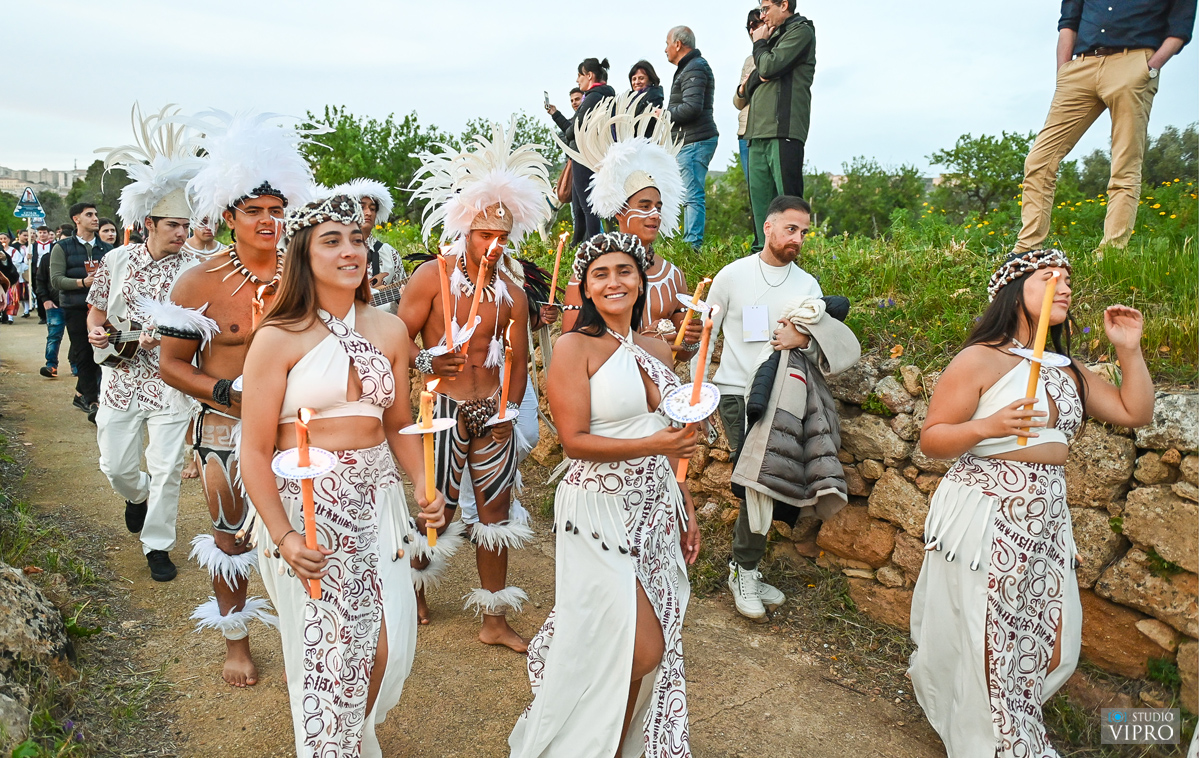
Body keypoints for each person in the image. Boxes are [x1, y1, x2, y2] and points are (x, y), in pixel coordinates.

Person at [910, 249, 1154, 757]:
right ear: (1015, 290)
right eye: (1050, 278)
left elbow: (1136, 412)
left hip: (1046, 511)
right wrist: (988, 427)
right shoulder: (979, 358)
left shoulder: (1069, 370)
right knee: (989, 633)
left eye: (1068, 280)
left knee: (1052, 636)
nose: (1065, 286)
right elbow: (931, 439)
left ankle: (1010, 721)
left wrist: (1129, 350)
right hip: (987, 509)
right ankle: (992, 740)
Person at [240, 191, 445, 757]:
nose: (350, 250)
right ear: (303, 255)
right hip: (308, 506)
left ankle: (350, 741)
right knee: (330, 656)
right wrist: (284, 536)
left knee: (387, 649)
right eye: (332, 240)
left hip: (379, 503)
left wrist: (425, 486)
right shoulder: (277, 337)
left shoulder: (390, 330)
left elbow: (399, 423)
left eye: (357, 238)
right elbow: (254, 450)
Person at [509, 232, 700, 757]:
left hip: (655, 504)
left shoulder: (658, 347)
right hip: (597, 507)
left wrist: (684, 507)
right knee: (640, 647)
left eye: (625, 271)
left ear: (641, 281)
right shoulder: (573, 348)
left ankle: (613, 747)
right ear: (587, 289)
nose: (614, 282)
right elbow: (573, 441)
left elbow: (671, 435)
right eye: (601, 274)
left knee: (633, 645)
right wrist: (656, 441)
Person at [160, 110, 318, 687]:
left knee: (308, 532)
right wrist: (227, 391)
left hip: (297, 429)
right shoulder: (198, 281)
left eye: (277, 211)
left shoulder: (306, 274)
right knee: (230, 540)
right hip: (225, 428)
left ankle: (312, 632)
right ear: (229, 216)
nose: (269, 221)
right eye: (254, 211)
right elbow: (172, 365)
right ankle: (237, 642)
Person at [402, 120, 551, 649]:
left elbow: (518, 358)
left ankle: (493, 619)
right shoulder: (431, 278)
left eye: (502, 237)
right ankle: (414, 588)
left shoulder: (512, 293)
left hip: (491, 418)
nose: (493, 245)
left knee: (495, 515)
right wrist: (425, 362)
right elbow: (396, 345)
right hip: (440, 412)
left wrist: (508, 409)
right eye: (485, 234)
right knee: (434, 507)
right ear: (465, 227)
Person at [86, 109, 206, 582]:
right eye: (172, 225)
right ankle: (136, 497)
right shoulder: (116, 259)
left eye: (185, 224)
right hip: (119, 376)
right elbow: (98, 310)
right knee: (115, 465)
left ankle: (158, 544)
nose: (181, 232)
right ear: (150, 223)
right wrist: (98, 329)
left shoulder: (195, 269)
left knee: (168, 469)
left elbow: (207, 326)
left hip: (170, 382)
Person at [695, 195, 822, 620]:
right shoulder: (732, 276)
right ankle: (744, 569)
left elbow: (822, 343)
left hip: (784, 393)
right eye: (791, 229)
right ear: (768, 227)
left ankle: (742, 566)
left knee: (763, 480)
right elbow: (706, 335)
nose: (798, 238)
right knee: (755, 481)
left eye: (804, 232)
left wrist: (801, 340)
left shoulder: (807, 285)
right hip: (735, 391)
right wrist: (696, 394)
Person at [1014, 0, 1196, 253]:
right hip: (1081, 67)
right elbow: (1068, 21)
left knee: (1125, 165)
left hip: (1133, 64)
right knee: (1039, 160)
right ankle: (1026, 250)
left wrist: (1150, 68)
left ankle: (1110, 254)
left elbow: (1180, 30)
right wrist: (1064, 71)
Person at [557, 91, 703, 356]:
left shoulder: (673, 276)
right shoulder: (591, 270)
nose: (654, 215)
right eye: (644, 206)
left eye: (658, 208)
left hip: (660, 393)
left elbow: (684, 351)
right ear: (619, 212)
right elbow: (569, 349)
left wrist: (691, 338)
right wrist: (645, 340)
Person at [745, 0, 816, 253]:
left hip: (784, 130)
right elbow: (749, 83)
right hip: (756, 133)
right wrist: (762, 64)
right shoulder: (772, 38)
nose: (763, 17)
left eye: (765, 9)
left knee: (789, 206)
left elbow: (767, 66)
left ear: (784, 4)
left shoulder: (801, 31)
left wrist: (760, 46)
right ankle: (759, 262)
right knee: (761, 208)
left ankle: (793, 261)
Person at [49, 202, 113, 420]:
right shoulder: (63, 247)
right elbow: (56, 280)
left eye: (96, 214)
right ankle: (93, 401)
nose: (96, 218)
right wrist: (82, 282)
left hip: (103, 309)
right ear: (77, 219)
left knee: (103, 352)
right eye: (89, 215)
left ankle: (83, 393)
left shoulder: (107, 249)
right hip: (76, 308)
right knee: (84, 353)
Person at [664, 25, 719, 249]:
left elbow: (692, 108)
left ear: (678, 44)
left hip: (695, 140)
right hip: (690, 140)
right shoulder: (690, 67)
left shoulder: (694, 68)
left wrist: (664, 115)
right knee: (688, 192)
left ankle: (692, 246)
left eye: (667, 43)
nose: (665, 49)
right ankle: (689, 243)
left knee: (692, 194)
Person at [332, 179, 405, 314]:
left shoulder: (390, 254)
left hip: (379, 329)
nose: (368, 213)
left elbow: (403, 306)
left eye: (372, 208)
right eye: (362, 207)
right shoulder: (332, 250)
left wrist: (403, 297)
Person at [566, 58, 616, 245]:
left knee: (587, 206)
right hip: (595, 151)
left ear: (589, 75)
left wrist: (570, 131)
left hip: (585, 153)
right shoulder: (607, 95)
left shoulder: (594, 97)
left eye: (580, 75)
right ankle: (578, 245)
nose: (578, 80)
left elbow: (573, 130)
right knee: (581, 205)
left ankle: (593, 246)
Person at [546, 87, 587, 245]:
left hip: (585, 168)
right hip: (573, 170)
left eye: (577, 99)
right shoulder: (571, 120)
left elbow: (570, 136)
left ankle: (591, 243)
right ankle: (579, 245)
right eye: (571, 100)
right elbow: (562, 140)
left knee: (587, 210)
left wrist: (569, 137)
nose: (574, 103)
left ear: (584, 99)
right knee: (575, 210)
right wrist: (555, 114)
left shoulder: (586, 119)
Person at [733, 9, 765, 187]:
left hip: (766, 131)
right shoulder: (748, 61)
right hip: (745, 133)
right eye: (748, 27)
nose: (752, 31)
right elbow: (738, 103)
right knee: (754, 190)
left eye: (756, 24)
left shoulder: (777, 54)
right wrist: (742, 89)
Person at [34, 230, 65, 377]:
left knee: (78, 338)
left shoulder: (77, 258)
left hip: (74, 304)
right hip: (54, 304)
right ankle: (51, 365)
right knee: (54, 336)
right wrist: (45, 300)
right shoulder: (47, 258)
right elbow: (40, 281)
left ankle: (77, 367)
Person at [29, 226, 54, 324]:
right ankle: (42, 316)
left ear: (48, 234)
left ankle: (50, 314)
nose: (42, 235)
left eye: (44, 232)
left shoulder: (53, 246)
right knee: (39, 293)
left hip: (49, 272)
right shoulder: (32, 246)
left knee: (50, 292)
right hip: (36, 271)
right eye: (40, 233)